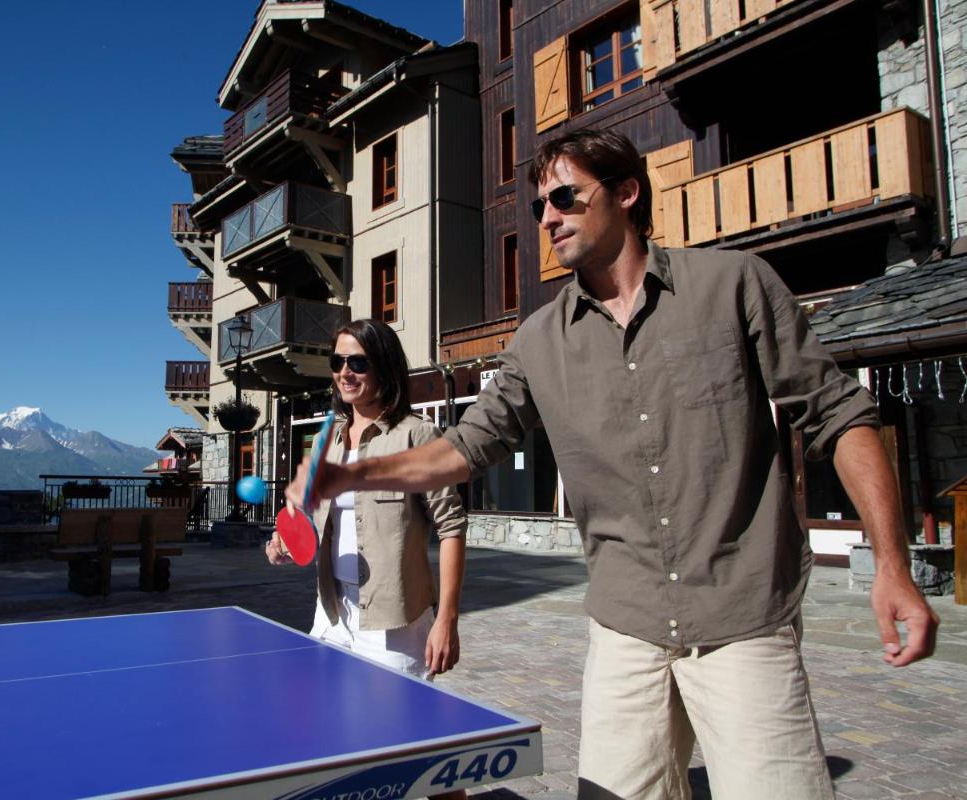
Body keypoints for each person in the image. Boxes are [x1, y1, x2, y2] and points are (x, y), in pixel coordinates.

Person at [286, 130, 939, 799]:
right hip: (625, 629)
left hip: (743, 622)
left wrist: (892, 562)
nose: (547, 218)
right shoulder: (538, 341)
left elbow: (840, 415)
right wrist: (353, 474)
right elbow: (464, 447)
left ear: (626, 193)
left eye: (565, 198)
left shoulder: (732, 284)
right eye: (540, 205)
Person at [267, 318, 469, 685]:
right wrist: (285, 541)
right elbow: (314, 518)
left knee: (390, 720)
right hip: (331, 613)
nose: (345, 372)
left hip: (393, 625)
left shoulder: (418, 435)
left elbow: (451, 526)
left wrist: (447, 619)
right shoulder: (326, 441)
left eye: (358, 362)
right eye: (337, 362)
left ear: (384, 366)